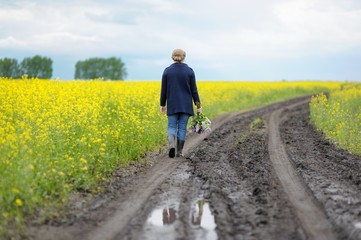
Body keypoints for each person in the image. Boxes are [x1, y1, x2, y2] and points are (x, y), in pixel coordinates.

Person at [160, 49, 202, 158]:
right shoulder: (189, 71)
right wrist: (198, 106)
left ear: (172, 57)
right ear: (184, 57)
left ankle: (171, 146)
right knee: (182, 128)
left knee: (171, 126)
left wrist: (162, 104)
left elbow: (163, 90)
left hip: (173, 104)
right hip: (186, 105)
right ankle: (179, 152)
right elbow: (194, 91)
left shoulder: (167, 71)